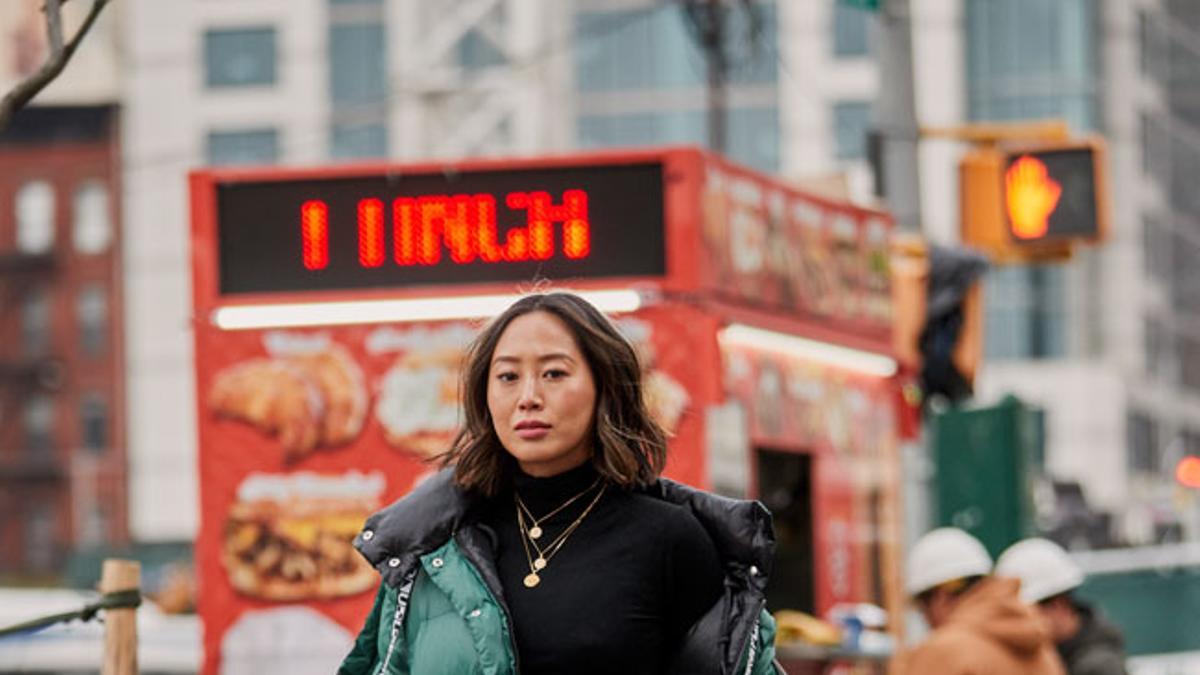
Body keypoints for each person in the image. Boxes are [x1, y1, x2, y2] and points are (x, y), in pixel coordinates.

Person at [338, 291, 780, 675]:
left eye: (553, 373)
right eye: (508, 376)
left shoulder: (668, 538)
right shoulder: (434, 547)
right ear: (484, 396)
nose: (528, 396)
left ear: (605, 389)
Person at [890, 527, 1066, 675]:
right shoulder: (1039, 646)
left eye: (923, 610)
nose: (927, 622)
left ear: (941, 596)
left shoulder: (942, 652)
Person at [995, 538, 1128, 675]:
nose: (1018, 624)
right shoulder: (1053, 655)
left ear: (1058, 605)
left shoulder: (1098, 666)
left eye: (1022, 613)